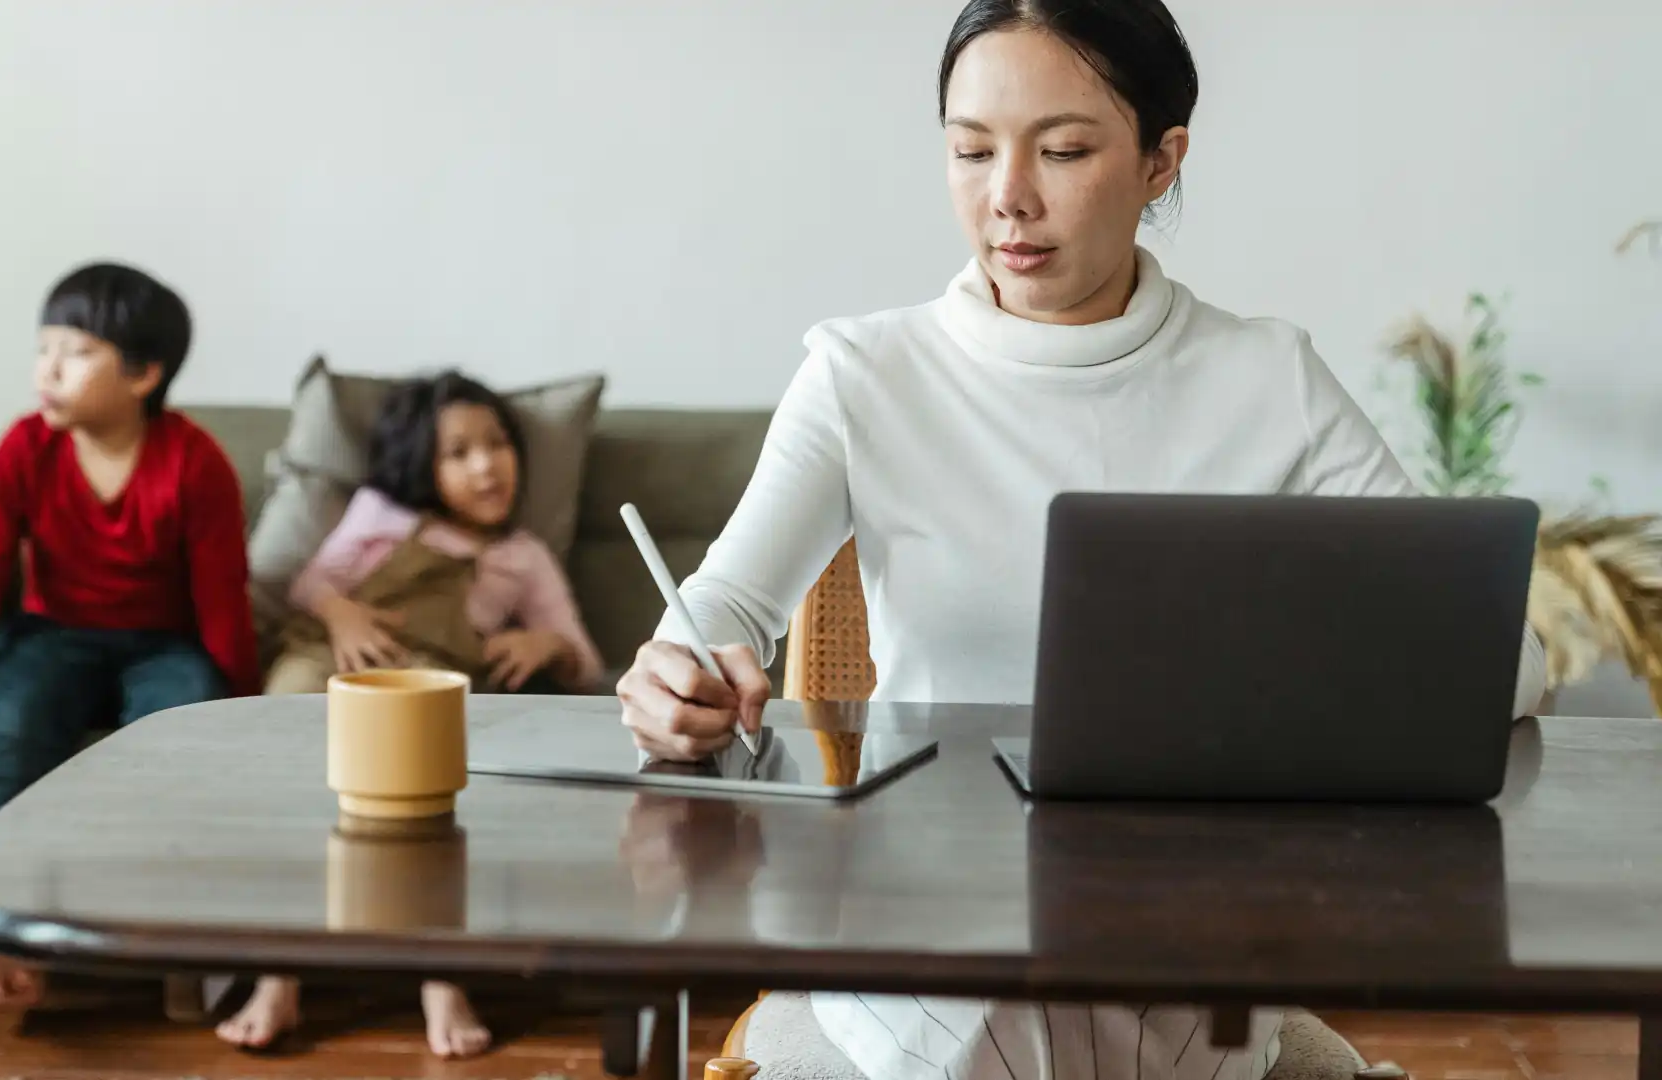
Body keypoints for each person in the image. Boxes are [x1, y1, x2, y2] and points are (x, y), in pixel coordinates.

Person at [615, 3, 1548, 1080]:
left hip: (1190, 937)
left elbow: (1500, 660)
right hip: (922, 936)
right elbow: (721, 607)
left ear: (1162, 160)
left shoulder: (1266, 379)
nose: (1007, 195)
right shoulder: (864, 374)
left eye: (1062, 150)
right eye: (970, 150)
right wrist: (679, 670)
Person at [217, 370, 604, 1055]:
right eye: (458, 452)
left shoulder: (522, 556)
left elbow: (584, 658)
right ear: (420, 465)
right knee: (290, 752)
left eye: (498, 445)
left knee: (418, 786)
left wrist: (545, 643)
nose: (486, 465)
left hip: (429, 679)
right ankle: (280, 973)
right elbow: (312, 584)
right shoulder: (380, 514)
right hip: (333, 658)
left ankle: (440, 974)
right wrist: (341, 615)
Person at [0, 261, 259, 1012]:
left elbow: (224, 603)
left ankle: (165, 942)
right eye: (44, 349)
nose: (48, 369)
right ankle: (4, 946)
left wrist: (247, 720)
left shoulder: (195, 465)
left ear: (143, 374)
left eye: (76, 351)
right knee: (12, 721)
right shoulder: (25, 449)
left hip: (163, 641)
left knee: (185, 717)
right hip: (55, 632)